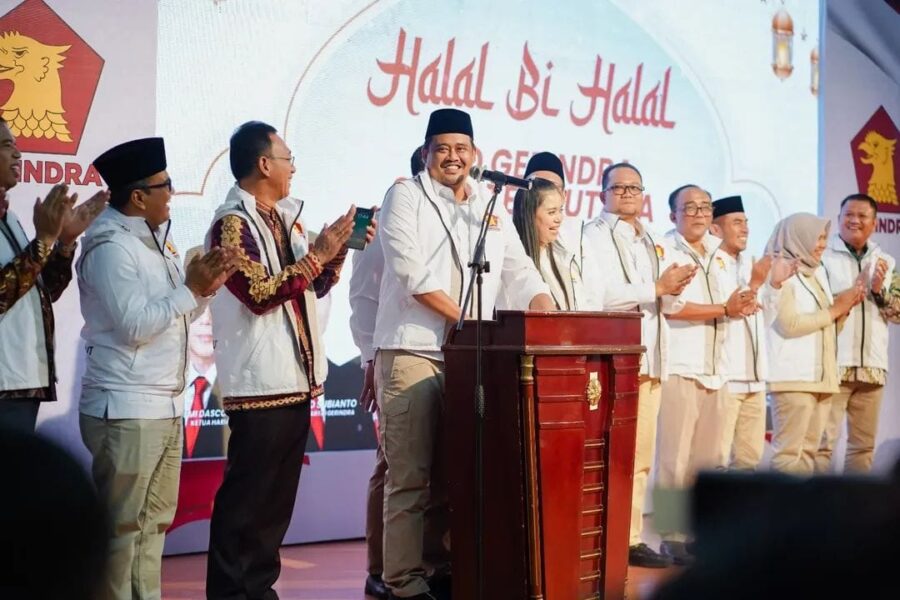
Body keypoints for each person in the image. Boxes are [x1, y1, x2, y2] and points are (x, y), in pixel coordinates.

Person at [375, 108, 553, 600]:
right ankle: (403, 582)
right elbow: (411, 275)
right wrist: (469, 321)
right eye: (442, 149)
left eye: (461, 149)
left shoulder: (487, 204)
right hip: (414, 350)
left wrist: (547, 312)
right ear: (426, 152)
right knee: (410, 477)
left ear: (475, 154)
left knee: (455, 474)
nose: (452, 157)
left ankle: (439, 568)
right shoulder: (404, 196)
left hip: (469, 356)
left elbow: (519, 271)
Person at [204, 121, 372, 599]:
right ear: (264, 164)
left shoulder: (285, 218)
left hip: (293, 381)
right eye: (288, 158)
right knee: (247, 505)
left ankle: (259, 591)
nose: (293, 168)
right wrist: (317, 255)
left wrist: (334, 253)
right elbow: (258, 293)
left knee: (274, 510)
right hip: (259, 384)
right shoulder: (232, 224)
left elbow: (310, 286)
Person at [78, 137, 237, 600]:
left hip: (163, 403)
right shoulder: (111, 247)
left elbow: (174, 315)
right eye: (164, 185)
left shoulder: (151, 239)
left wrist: (204, 288)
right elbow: (135, 326)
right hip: (126, 406)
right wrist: (190, 290)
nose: (171, 193)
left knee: (154, 524)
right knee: (121, 528)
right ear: (137, 196)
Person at [582, 164, 697, 568]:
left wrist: (673, 289)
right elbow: (598, 296)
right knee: (627, 457)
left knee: (644, 457)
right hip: (624, 360)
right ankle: (623, 537)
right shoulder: (593, 235)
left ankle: (633, 537)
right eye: (620, 187)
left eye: (635, 187)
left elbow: (666, 301)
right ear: (602, 194)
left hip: (658, 359)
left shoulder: (651, 239)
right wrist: (658, 288)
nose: (628, 193)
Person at [655, 184, 756, 565]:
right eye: (690, 207)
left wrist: (743, 303)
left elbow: (731, 304)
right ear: (673, 215)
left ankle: (701, 532)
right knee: (674, 460)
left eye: (705, 207)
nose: (699, 214)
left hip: (718, 369)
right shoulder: (665, 250)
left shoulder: (721, 255)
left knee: (711, 461)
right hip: (681, 366)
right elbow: (671, 306)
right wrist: (724, 309)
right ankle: (670, 534)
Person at [0, 118, 107, 430]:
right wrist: (44, 240)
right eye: (6, 146)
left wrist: (63, 244)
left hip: (22, 382)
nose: (18, 155)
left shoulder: (10, 217)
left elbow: (42, 291)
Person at [349, 147, 419, 600]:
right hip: (391, 357)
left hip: (446, 357)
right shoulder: (375, 219)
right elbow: (361, 296)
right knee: (391, 463)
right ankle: (379, 568)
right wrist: (369, 359)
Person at [762, 213, 864, 475]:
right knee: (788, 454)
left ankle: (800, 504)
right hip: (793, 378)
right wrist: (834, 311)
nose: (822, 244)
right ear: (799, 237)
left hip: (822, 378)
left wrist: (844, 310)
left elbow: (826, 327)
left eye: (824, 238)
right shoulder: (779, 272)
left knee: (809, 454)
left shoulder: (817, 273)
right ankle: (780, 504)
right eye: (817, 238)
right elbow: (788, 324)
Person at [816, 194, 897, 473]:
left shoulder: (886, 261)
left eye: (862, 216)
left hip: (872, 367)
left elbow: (897, 313)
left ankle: (855, 500)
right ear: (839, 219)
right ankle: (819, 500)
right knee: (823, 444)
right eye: (848, 215)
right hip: (833, 365)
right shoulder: (822, 258)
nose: (854, 220)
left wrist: (878, 291)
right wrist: (854, 290)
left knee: (863, 447)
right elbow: (816, 306)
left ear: (875, 223)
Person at [709, 196, 772, 470]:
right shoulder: (710, 264)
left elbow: (765, 315)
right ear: (715, 229)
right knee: (718, 460)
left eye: (746, 222)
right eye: (736, 222)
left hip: (755, 379)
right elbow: (733, 307)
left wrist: (773, 285)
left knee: (749, 462)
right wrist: (755, 284)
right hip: (727, 377)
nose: (745, 228)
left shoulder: (750, 263)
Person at [510, 178, 598, 309]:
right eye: (551, 212)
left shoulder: (564, 255)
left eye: (560, 210)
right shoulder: (513, 263)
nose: (559, 219)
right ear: (528, 215)